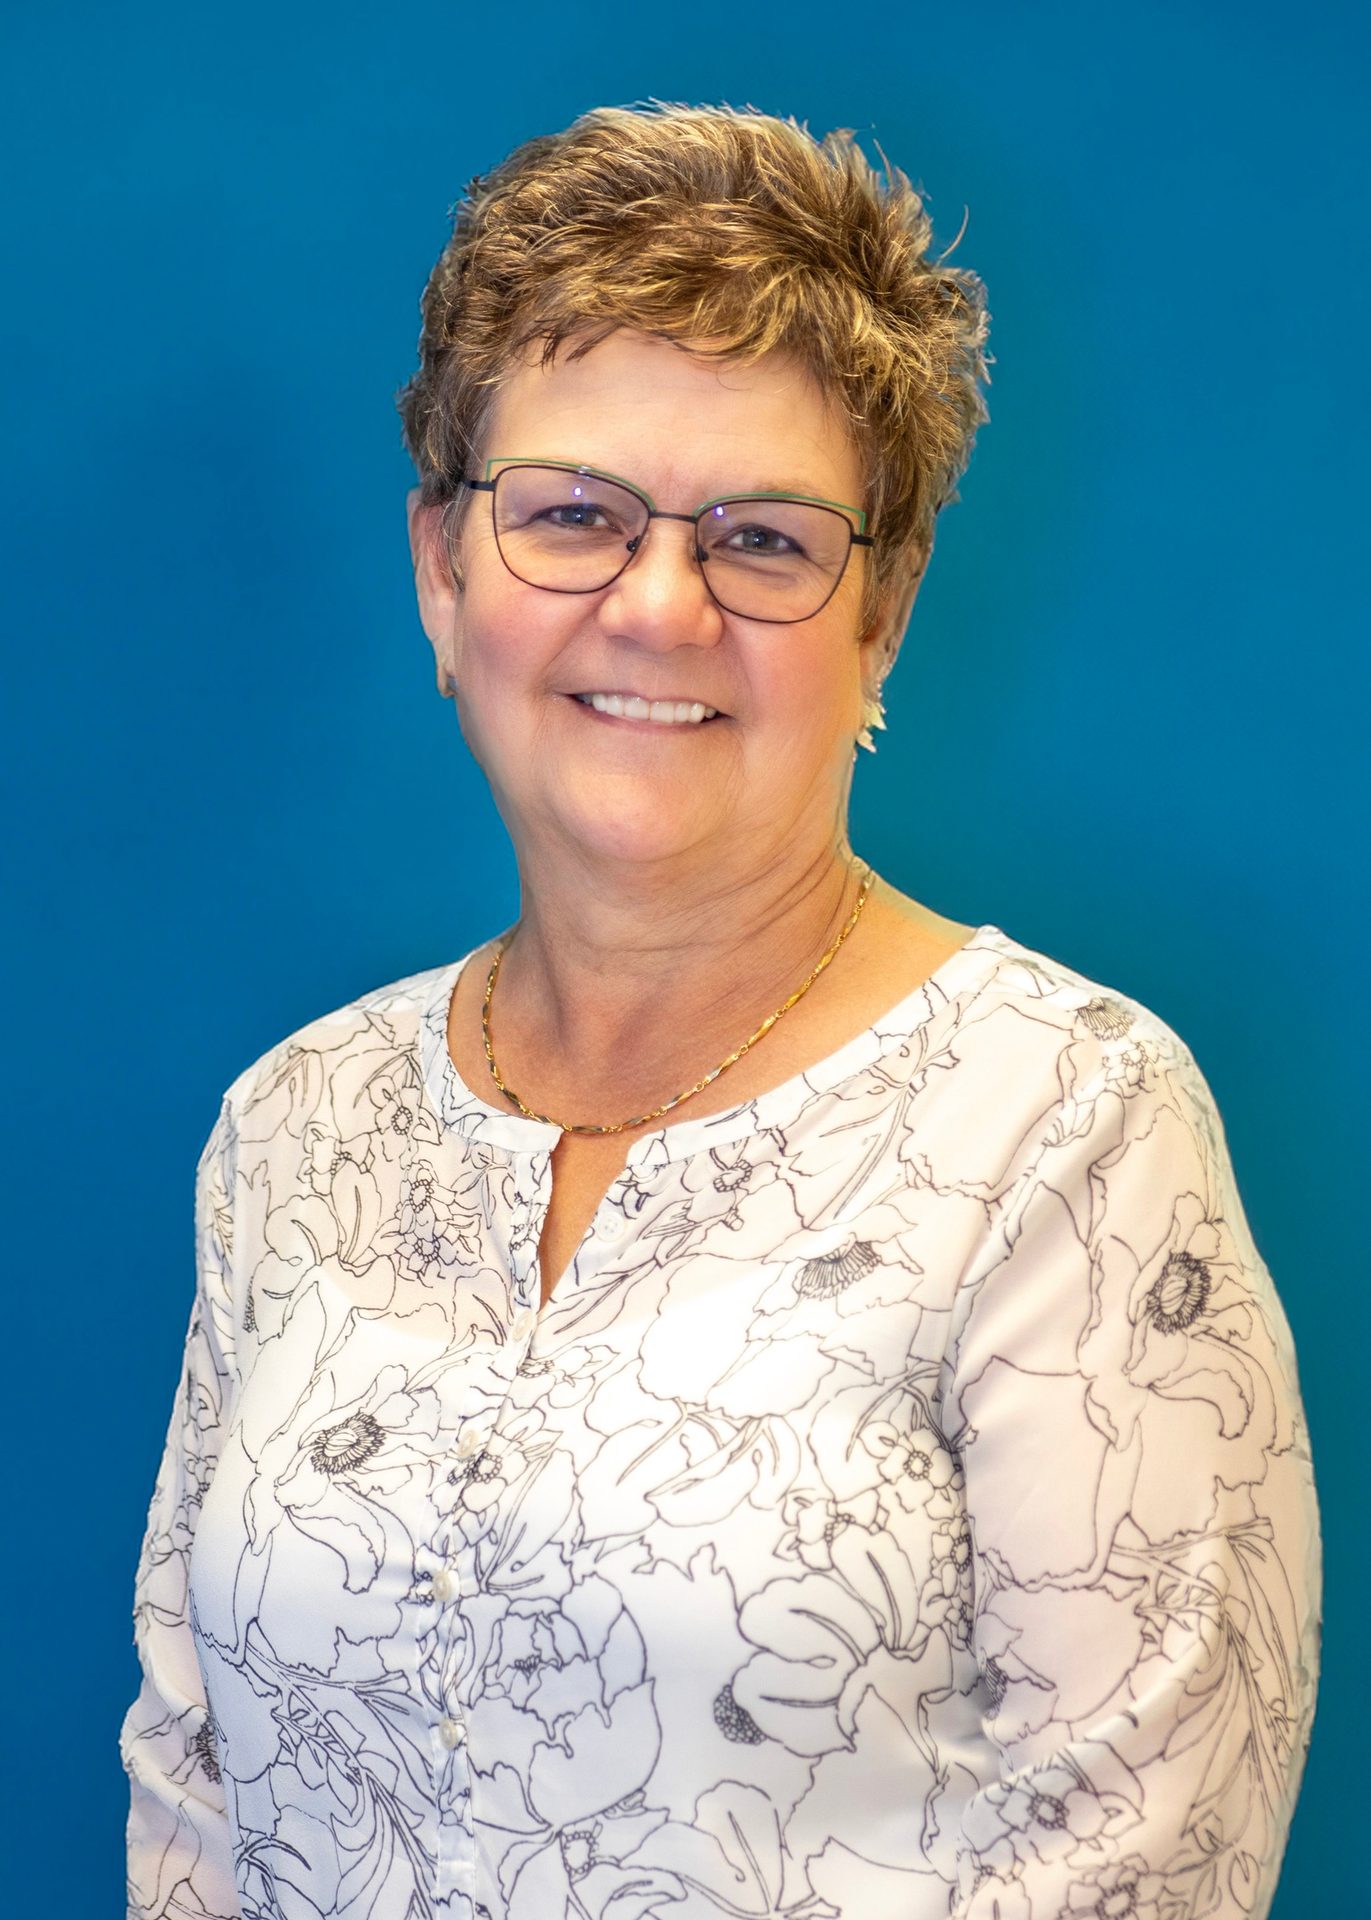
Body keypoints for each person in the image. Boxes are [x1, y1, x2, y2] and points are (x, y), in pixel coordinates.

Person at [120, 102, 1320, 1920]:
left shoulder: (1068, 1126)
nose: (660, 605)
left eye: (762, 540)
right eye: (572, 516)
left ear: (882, 616)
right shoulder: (298, 1126)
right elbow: (195, 1806)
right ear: (441, 568)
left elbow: (1136, 1867)